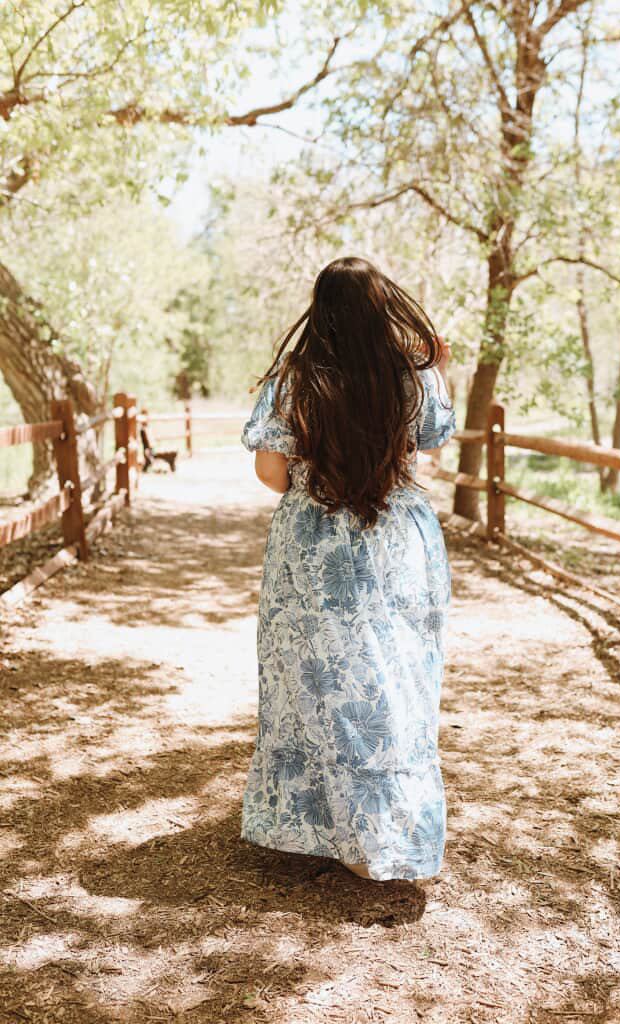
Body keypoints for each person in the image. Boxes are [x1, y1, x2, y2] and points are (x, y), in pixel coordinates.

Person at [240, 256, 457, 882]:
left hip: (313, 549)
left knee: (312, 683)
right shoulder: (409, 378)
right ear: (382, 309)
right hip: (398, 545)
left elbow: (271, 474)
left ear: (321, 311)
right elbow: (435, 441)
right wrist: (437, 368)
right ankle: (384, 833)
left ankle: (321, 827)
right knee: (393, 682)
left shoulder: (293, 380)